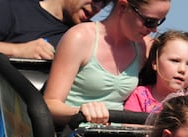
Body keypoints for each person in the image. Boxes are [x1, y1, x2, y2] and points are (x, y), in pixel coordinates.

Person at [43, 0, 171, 127]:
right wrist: (81, 112)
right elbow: (50, 104)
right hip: (76, 136)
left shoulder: (145, 47)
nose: (154, 29)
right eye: (149, 21)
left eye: (160, 21)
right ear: (122, 7)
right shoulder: (80, 38)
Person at [0, 0, 108, 62]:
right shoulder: (16, 7)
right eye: (95, 0)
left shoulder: (89, 33)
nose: (97, 7)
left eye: (104, 3)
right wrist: (20, 50)